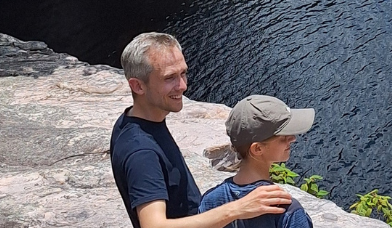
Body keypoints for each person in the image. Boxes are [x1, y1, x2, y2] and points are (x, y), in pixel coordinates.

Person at [110, 33, 293, 228]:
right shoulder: (141, 152)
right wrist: (237, 209)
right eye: (170, 78)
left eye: (183, 73)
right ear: (138, 86)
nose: (182, 85)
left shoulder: (133, 122)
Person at [199, 95, 315, 228]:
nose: (293, 139)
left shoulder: (210, 201)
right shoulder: (287, 211)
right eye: (283, 136)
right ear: (258, 148)